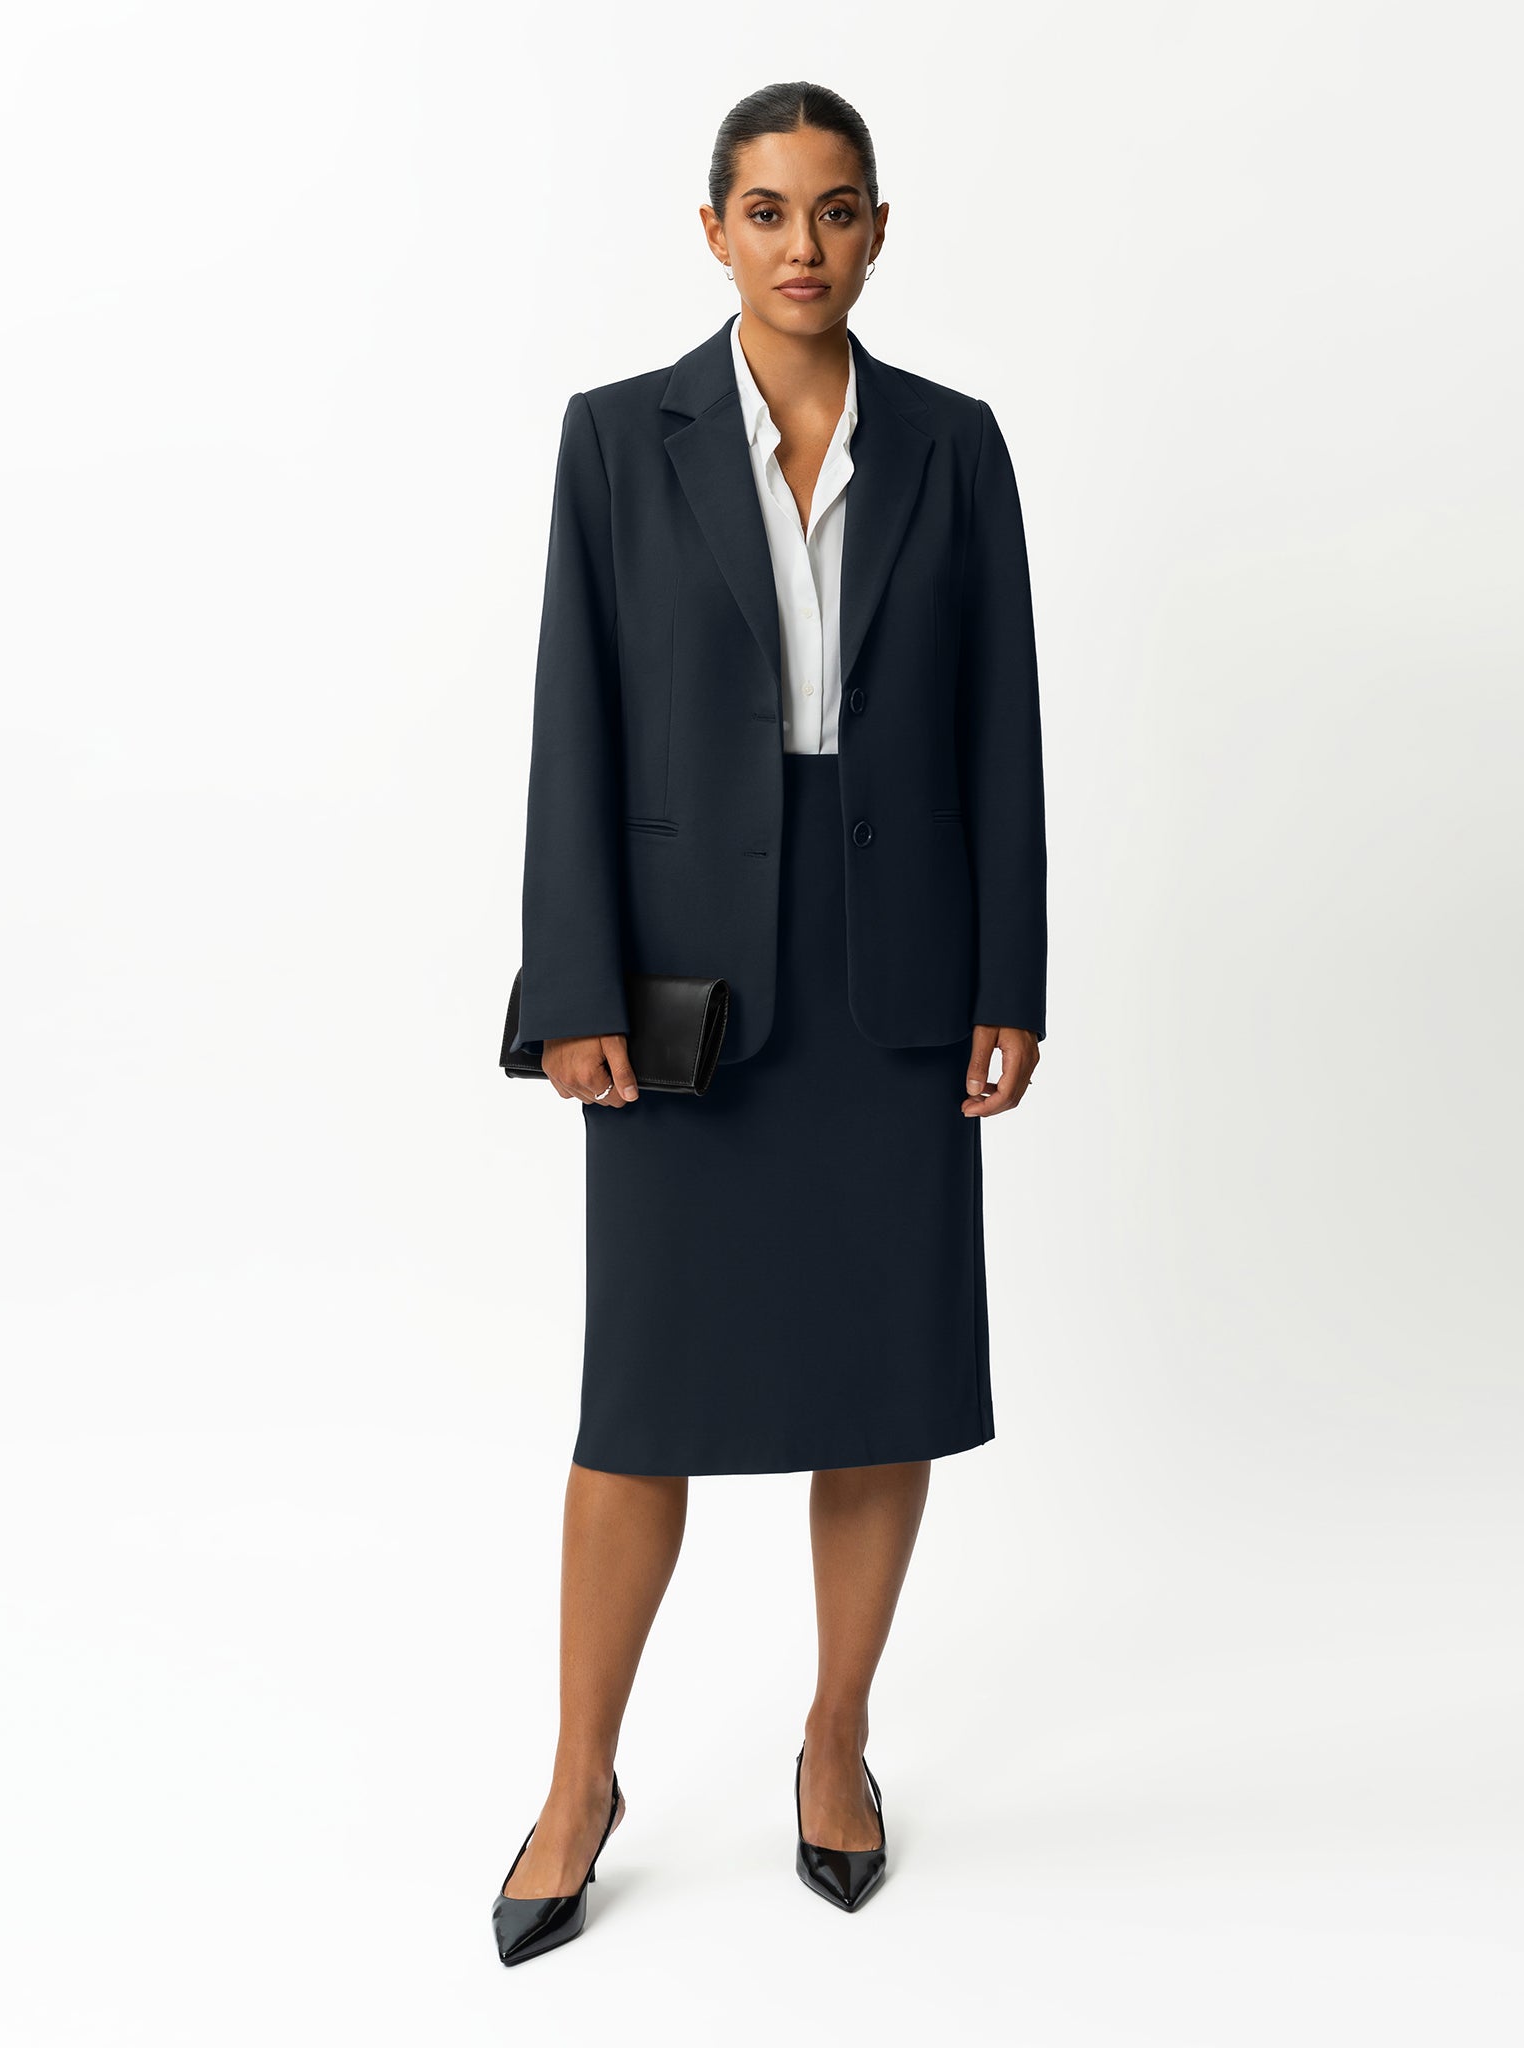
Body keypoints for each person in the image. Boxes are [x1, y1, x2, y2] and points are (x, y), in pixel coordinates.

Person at [493, 79, 1047, 1965]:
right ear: (713, 228)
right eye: (768, 210)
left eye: (836, 209)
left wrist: (1008, 978)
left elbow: (1000, 728)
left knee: (881, 1380)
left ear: (878, 227)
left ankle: (836, 1738)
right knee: (640, 1403)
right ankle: (580, 1778)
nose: (803, 245)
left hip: (898, 969)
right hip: (688, 987)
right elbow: (573, 720)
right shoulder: (616, 439)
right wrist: (572, 989)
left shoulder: (955, 446)